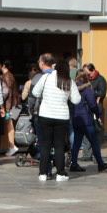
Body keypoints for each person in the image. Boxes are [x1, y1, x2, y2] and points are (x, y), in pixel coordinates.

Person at [30, 53, 79, 181]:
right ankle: (60, 173)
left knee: (45, 145)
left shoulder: (46, 77)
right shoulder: (69, 81)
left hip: (45, 115)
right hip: (62, 117)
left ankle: (43, 173)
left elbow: (35, 92)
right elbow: (76, 100)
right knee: (59, 146)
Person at [69, 72, 107, 174]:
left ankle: (73, 164)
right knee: (94, 142)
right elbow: (92, 105)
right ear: (87, 80)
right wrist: (98, 113)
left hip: (76, 119)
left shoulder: (73, 90)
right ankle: (100, 164)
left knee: (77, 143)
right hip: (86, 120)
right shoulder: (87, 90)